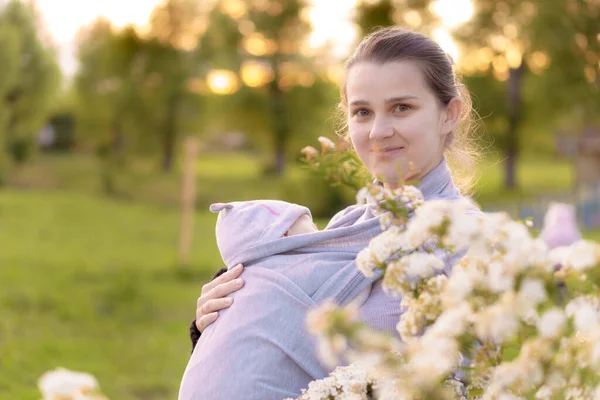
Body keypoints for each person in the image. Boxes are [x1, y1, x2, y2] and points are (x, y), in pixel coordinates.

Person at [186, 25, 483, 396]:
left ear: (449, 114)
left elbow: (473, 383)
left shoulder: (468, 241)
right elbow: (298, 351)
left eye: (401, 108)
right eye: (362, 112)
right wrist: (222, 322)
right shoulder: (349, 224)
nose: (379, 131)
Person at [179, 200, 376, 399]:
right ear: (284, 235)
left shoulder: (245, 281)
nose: (319, 229)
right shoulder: (308, 267)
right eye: (310, 223)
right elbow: (361, 269)